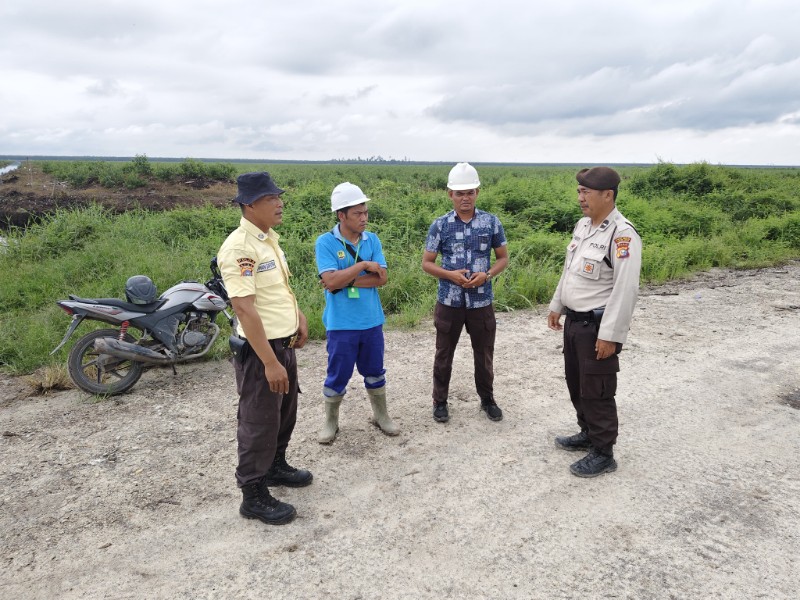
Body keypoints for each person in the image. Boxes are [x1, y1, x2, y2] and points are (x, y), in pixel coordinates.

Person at [217, 171, 312, 526]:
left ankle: (274, 466)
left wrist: (298, 316)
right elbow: (244, 308)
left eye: (278, 196)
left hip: (282, 344)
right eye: (271, 198)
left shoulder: (268, 239)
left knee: (284, 413)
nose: (279, 203)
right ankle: (253, 494)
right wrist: (270, 362)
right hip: (262, 351)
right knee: (258, 421)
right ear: (249, 205)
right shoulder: (239, 248)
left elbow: (277, 291)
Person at [547, 166, 642, 478]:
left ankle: (604, 452)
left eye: (586, 192)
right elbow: (569, 270)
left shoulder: (622, 235)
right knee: (576, 383)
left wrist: (611, 335)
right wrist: (557, 305)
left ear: (607, 195)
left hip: (597, 327)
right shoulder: (583, 226)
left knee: (597, 390)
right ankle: (587, 433)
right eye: (579, 191)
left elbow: (625, 289)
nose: (580, 197)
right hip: (575, 323)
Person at [422, 162, 509, 423]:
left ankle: (487, 399)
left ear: (477, 192)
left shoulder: (491, 222)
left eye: (470, 192)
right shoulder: (440, 225)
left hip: (481, 301)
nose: (465, 198)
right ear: (450, 194)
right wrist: (450, 275)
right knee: (443, 353)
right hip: (449, 301)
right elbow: (427, 263)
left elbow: (503, 258)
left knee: (484, 353)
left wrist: (487, 275)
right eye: (460, 193)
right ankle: (439, 401)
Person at [315, 182, 399, 443]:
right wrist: (363, 266)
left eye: (365, 212)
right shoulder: (325, 242)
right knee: (337, 374)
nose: (364, 218)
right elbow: (330, 281)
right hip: (341, 323)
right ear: (341, 215)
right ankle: (331, 421)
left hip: (371, 320)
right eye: (357, 213)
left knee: (375, 370)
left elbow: (381, 278)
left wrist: (344, 280)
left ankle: (381, 415)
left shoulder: (372, 239)